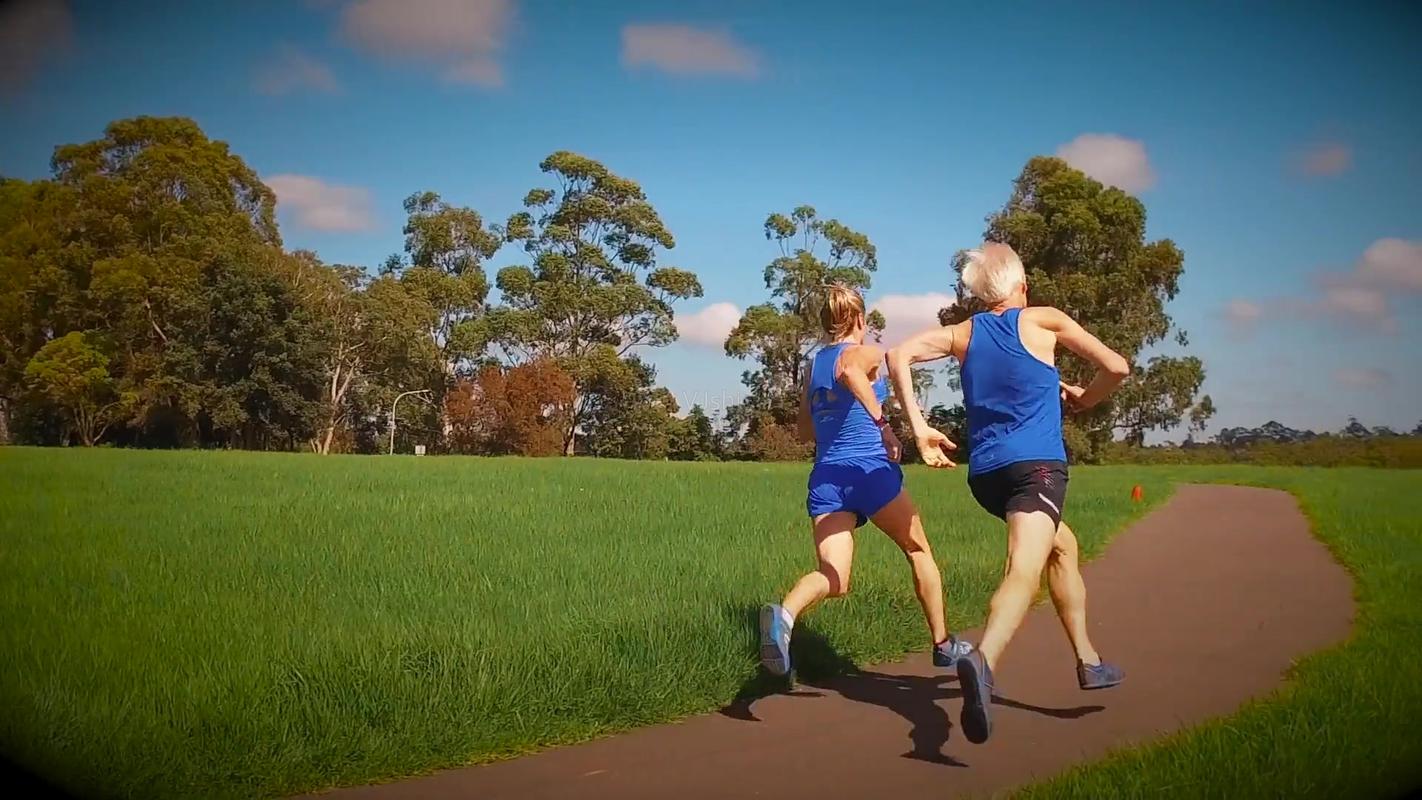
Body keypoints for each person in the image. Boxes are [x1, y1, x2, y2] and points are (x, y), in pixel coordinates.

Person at [886, 242, 1130, 745]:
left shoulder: (964, 332)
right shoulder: (1045, 321)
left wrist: (920, 428)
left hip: (987, 478)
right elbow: (1118, 367)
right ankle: (984, 660)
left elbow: (898, 354)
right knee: (1024, 567)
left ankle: (1089, 660)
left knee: (1063, 547)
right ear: (1021, 286)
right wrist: (1086, 398)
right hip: (1036, 471)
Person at [760, 284, 973, 678]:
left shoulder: (812, 366)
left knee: (834, 577)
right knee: (917, 550)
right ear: (861, 319)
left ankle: (784, 616)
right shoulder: (865, 351)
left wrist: (832, 415)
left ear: (825, 322)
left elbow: (804, 430)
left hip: (827, 478)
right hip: (869, 472)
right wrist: (884, 426)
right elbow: (850, 370)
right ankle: (943, 645)